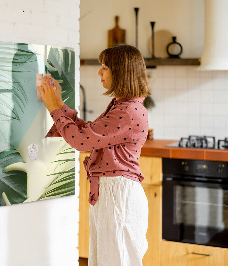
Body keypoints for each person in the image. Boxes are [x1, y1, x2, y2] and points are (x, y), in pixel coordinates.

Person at [37, 44, 150, 266]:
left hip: (118, 195)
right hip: (112, 194)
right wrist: (59, 104)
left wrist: (53, 108)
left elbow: (81, 140)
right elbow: (89, 133)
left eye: (105, 67)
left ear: (121, 71)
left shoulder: (127, 111)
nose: (99, 72)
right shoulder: (123, 106)